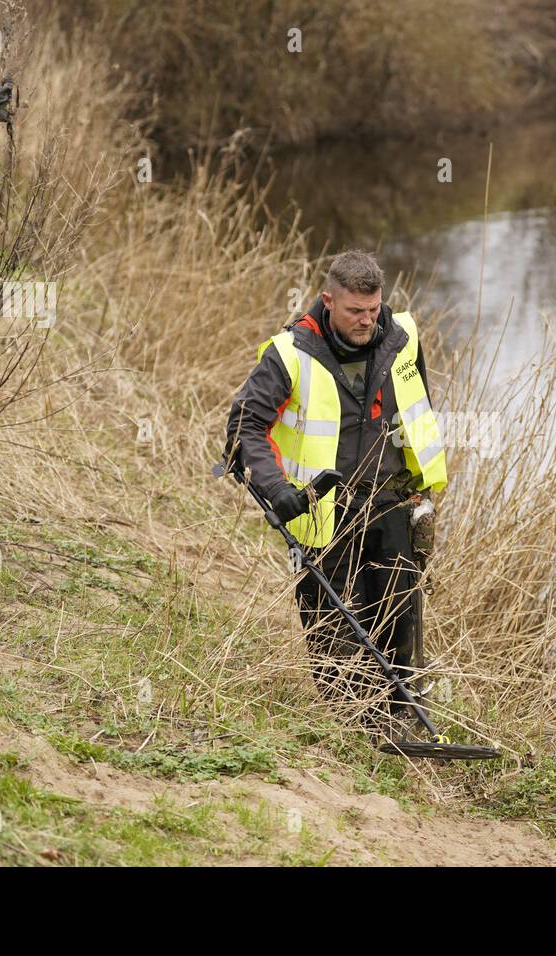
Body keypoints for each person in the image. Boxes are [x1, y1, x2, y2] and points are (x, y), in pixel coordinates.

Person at [222, 250, 447, 740]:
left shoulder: (403, 338)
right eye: (355, 312)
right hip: (323, 513)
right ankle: (354, 735)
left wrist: (424, 496)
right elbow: (244, 427)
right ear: (328, 301)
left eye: (373, 309)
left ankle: (400, 728)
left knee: (400, 625)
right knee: (333, 635)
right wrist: (277, 488)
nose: (367, 321)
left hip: (393, 502)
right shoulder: (290, 352)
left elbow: (420, 409)